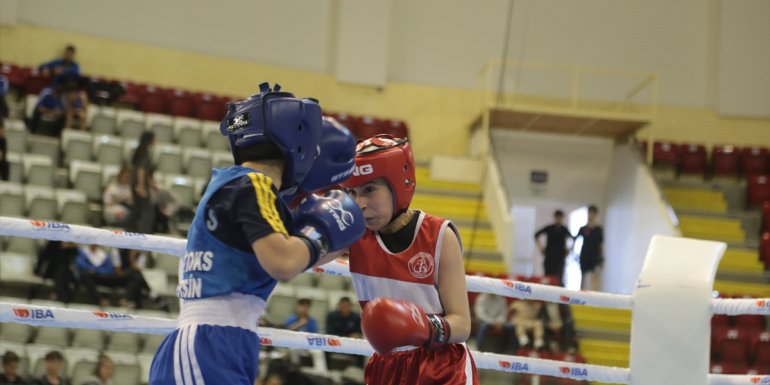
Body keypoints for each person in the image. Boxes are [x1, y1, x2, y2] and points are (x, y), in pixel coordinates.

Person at [149, 82, 364, 385]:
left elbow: (298, 252)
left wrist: (343, 236)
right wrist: (322, 231)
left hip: (225, 341)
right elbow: (285, 261)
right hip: (208, 342)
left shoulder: (245, 187)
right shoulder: (252, 185)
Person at [340, 135, 479, 385]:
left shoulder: (439, 236)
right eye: (352, 192)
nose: (359, 203)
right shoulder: (353, 233)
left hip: (442, 367)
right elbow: (294, 259)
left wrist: (421, 327)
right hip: (386, 367)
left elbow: (462, 324)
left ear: (397, 184)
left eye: (369, 189)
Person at [75, 243, 147, 308]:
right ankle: (99, 300)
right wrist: (94, 270)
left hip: (107, 276)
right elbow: (80, 264)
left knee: (136, 276)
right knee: (85, 274)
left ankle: (127, 300)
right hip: (93, 276)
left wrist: (97, 270)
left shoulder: (102, 254)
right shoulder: (82, 252)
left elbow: (109, 268)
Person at [534, 210, 573, 286]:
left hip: (560, 258)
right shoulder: (549, 228)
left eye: (560, 218)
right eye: (557, 217)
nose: (558, 219)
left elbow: (573, 238)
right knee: (548, 279)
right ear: (555, 218)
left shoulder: (564, 229)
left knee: (558, 279)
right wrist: (541, 248)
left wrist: (568, 249)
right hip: (549, 257)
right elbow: (536, 235)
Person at [128, 132, 156, 235]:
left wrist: (152, 183)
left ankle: (132, 232)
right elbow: (141, 170)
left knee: (137, 210)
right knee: (146, 211)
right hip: (140, 184)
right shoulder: (145, 153)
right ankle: (141, 234)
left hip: (136, 183)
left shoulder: (141, 151)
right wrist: (141, 186)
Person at [575, 205, 604, 291]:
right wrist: (573, 254)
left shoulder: (599, 229)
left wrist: (601, 259)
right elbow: (575, 240)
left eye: (593, 213)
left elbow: (601, 244)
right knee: (583, 278)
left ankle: (592, 299)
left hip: (595, 257)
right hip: (584, 256)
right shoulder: (583, 229)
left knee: (594, 279)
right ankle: (580, 299)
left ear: (595, 215)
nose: (591, 215)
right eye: (589, 213)